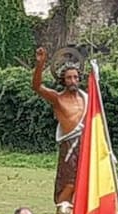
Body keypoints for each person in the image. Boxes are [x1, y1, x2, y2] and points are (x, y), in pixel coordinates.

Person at [32, 47, 87, 205]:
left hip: (86, 145)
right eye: (69, 78)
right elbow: (37, 87)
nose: (73, 81)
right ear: (63, 80)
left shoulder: (87, 99)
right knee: (69, 183)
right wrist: (40, 64)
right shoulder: (58, 99)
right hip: (70, 145)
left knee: (85, 183)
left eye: (76, 77)